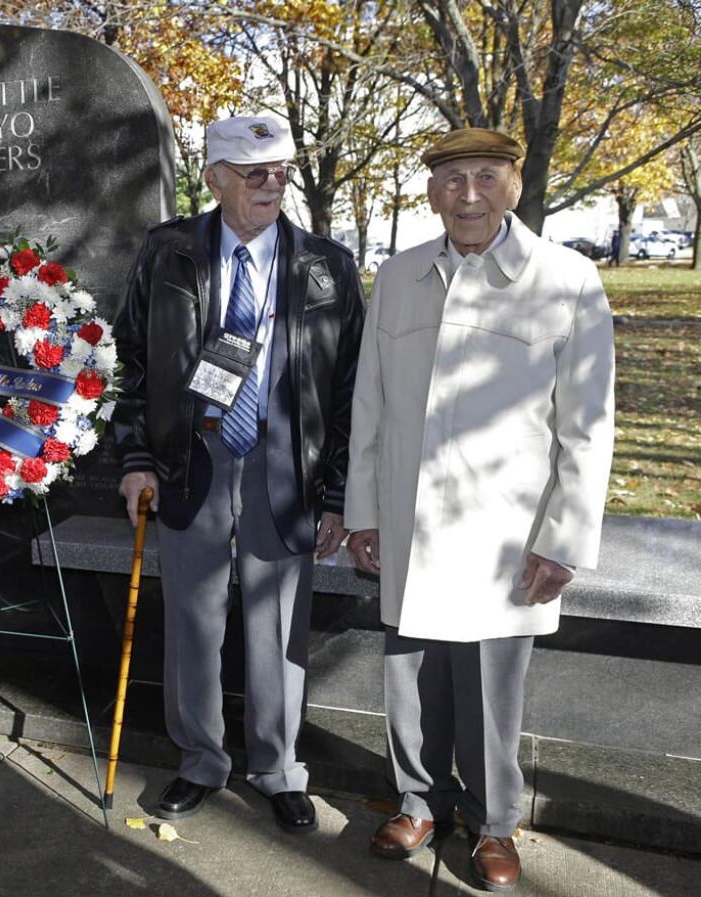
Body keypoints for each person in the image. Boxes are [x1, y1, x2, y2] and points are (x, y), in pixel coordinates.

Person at [344, 128, 615, 892]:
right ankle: (418, 803)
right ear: (431, 191)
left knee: (495, 690)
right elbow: (370, 402)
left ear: (515, 185)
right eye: (452, 179)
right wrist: (363, 509)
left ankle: (495, 823)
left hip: (507, 531)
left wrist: (563, 538)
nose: (468, 193)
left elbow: (589, 425)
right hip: (408, 518)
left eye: (485, 177)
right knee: (410, 678)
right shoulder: (397, 277)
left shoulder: (567, 278)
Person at [113, 115, 365, 833]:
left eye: (280, 169)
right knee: (191, 621)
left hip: (289, 461)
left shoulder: (327, 265)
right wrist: (135, 457)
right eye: (252, 171)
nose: (271, 182)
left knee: (279, 624)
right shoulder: (167, 253)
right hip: (191, 457)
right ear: (215, 176)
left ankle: (278, 767)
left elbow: (351, 389)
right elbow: (130, 359)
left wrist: (341, 491)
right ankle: (199, 760)